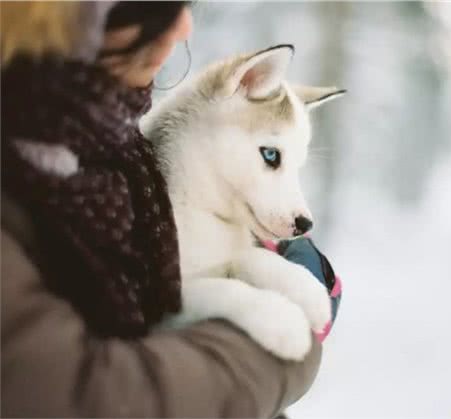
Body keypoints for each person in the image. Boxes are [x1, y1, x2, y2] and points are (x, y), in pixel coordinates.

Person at [0, 2, 340, 416]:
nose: (184, 25)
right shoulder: (51, 180)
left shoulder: (117, 156)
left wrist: (256, 267)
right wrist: (275, 349)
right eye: (152, 5)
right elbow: (89, 394)